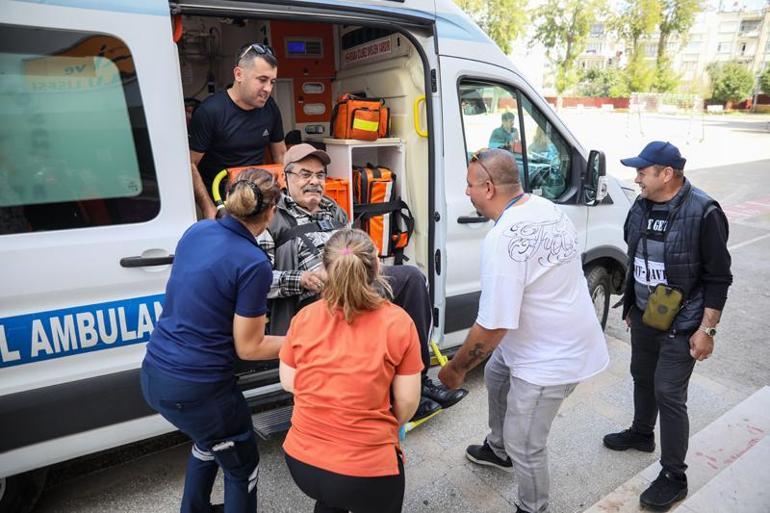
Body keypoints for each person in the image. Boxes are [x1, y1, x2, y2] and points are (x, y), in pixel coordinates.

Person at [437, 148, 609, 513]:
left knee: (527, 444)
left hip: (552, 358)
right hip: (543, 338)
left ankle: (533, 506)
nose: (466, 192)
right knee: (498, 375)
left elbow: (493, 325)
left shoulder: (502, 241)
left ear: (487, 188)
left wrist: (456, 368)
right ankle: (498, 450)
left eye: (469, 185)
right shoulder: (545, 207)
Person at [257, 143, 467, 421]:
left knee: (412, 277)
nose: (314, 182)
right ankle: (390, 398)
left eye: (320, 175)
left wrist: (368, 263)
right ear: (287, 178)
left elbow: (354, 246)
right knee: (360, 309)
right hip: (311, 298)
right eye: (305, 174)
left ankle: (417, 381)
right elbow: (258, 281)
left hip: (354, 281)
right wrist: (304, 279)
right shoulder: (272, 217)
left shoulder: (333, 209)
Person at [140, 169, 283, 513]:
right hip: (201, 391)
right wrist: (307, 340)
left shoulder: (197, 232)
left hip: (154, 375)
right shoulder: (253, 263)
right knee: (241, 467)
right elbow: (249, 347)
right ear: (271, 211)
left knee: (209, 443)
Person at [603, 141, 732, 511]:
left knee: (669, 393)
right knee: (642, 376)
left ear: (667, 174)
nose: (636, 178)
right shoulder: (641, 205)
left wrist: (706, 330)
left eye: (643, 172)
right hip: (646, 315)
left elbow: (718, 278)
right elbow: (634, 254)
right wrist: (630, 303)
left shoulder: (704, 211)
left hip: (684, 320)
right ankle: (642, 433)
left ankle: (674, 475)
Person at [279, 228, 422, 513]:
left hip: (302, 463)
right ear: (378, 265)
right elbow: (407, 404)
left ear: (325, 268)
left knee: (331, 499)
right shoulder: (398, 323)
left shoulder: (304, 317)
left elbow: (290, 381)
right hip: (367, 473)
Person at [189, 43, 287, 219]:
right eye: (262, 80)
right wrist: (208, 207)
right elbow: (190, 164)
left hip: (259, 196)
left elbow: (280, 155)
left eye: (272, 82)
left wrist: (286, 198)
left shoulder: (270, 108)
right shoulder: (210, 111)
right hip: (222, 200)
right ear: (239, 74)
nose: (268, 89)